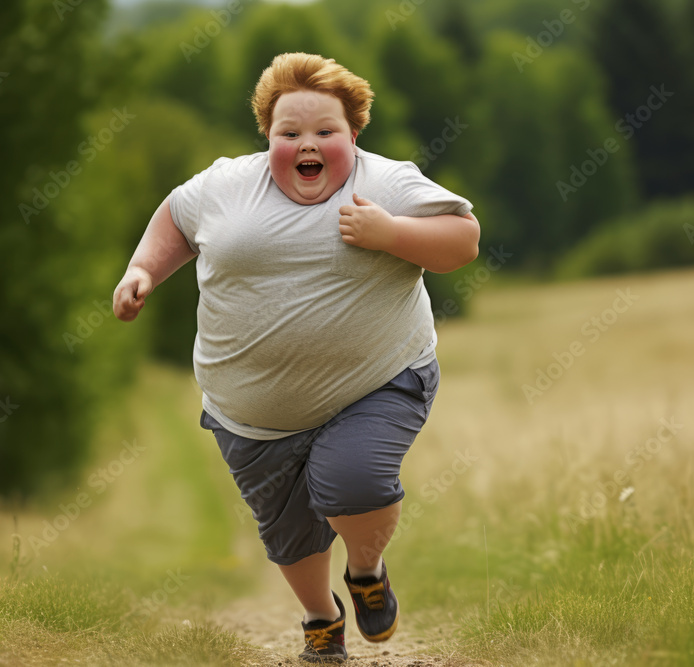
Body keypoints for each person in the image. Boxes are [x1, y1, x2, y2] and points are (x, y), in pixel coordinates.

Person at [112, 52, 479, 663]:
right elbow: (175, 218)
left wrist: (391, 233)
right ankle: (321, 619)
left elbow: (463, 240)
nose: (307, 144)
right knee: (287, 531)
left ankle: (365, 571)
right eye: (290, 133)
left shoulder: (386, 184)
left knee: (352, 480)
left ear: (353, 134)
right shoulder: (226, 186)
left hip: (377, 382)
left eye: (324, 131)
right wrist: (142, 271)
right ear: (269, 136)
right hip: (247, 411)